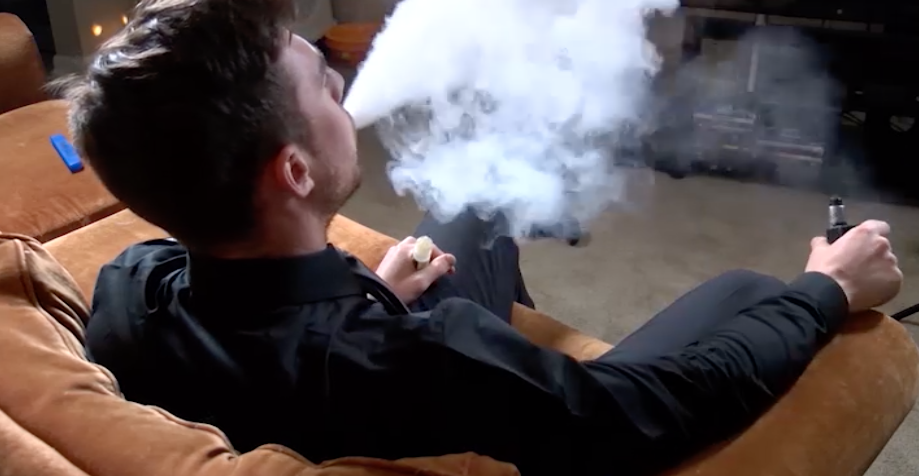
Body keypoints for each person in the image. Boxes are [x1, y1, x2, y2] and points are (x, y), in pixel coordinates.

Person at [63, 1, 903, 475]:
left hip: (331, 362)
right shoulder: (424, 359)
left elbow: (271, 347)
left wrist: (374, 290)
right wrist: (824, 289)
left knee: (476, 208)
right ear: (293, 172)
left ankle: (536, 218)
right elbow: (643, 412)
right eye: (325, 84)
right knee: (749, 294)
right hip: (440, 407)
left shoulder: (130, 284)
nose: (346, 84)